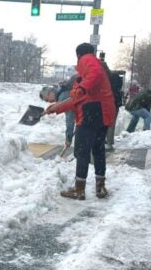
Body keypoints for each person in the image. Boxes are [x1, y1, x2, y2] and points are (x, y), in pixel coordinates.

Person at [45, 43, 116, 200]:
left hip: (92, 111)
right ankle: (100, 187)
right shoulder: (88, 78)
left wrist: (82, 88)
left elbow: (92, 77)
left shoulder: (88, 60)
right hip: (104, 113)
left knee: (82, 151)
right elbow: (75, 100)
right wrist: (55, 108)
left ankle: (79, 189)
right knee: (98, 150)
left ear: (79, 55)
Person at [40, 75, 76, 153]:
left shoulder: (63, 96)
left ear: (50, 93)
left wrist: (68, 139)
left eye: (47, 99)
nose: (49, 102)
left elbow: (70, 119)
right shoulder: (63, 90)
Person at [98, 52, 122, 149]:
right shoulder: (115, 76)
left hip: (103, 103)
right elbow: (119, 87)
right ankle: (109, 143)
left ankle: (101, 141)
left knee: (102, 123)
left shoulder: (100, 78)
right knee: (111, 123)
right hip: (114, 102)